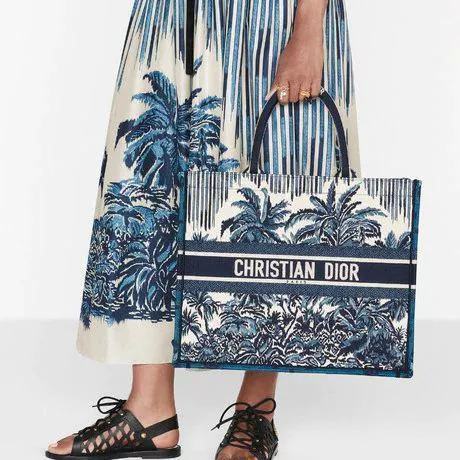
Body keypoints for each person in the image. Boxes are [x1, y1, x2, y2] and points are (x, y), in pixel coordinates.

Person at [46, 0, 360, 459]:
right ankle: (149, 409)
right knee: (150, 187)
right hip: (174, 13)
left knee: (276, 183)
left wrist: (309, 27)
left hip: (270, 19)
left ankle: (257, 408)